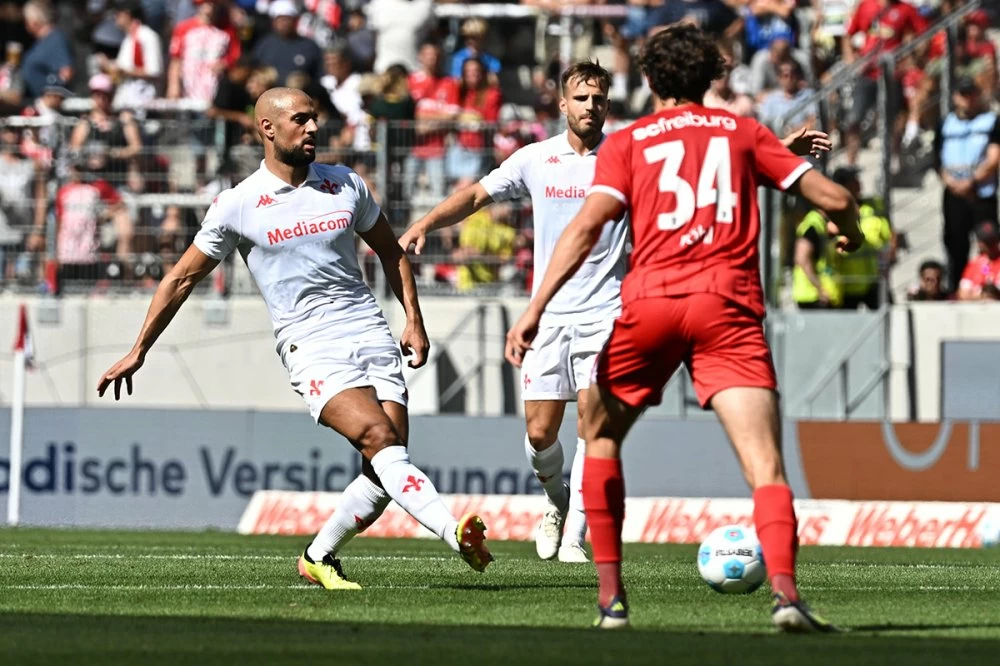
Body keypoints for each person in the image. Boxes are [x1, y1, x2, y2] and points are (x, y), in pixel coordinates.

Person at [504, 24, 863, 631]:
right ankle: (785, 598)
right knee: (765, 465)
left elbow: (585, 229)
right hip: (727, 308)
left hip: (650, 306)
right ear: (712, 78)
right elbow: (832, 197)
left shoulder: (627, 143)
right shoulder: (744, 134)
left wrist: (536, 305)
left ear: (647, 81)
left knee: (602, 437)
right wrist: (847, 232)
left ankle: (612, 601)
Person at [402, 60, 831, 563]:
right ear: (562, 104)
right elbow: (477, 194)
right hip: (549, 314)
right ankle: (556, 502)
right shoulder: (537, 159)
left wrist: (781, 152)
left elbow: (706, 173)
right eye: (581, 98)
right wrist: (425, 223)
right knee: (540, 432)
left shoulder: (631, 153)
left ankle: (574, 539)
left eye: (599, 98)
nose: (591, 107)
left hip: (607, 311)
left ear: (609, 103)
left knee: (593, 421)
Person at [96, 87, 493, 589]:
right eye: (301, 120)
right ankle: (453, 530)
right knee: (379, 439)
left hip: (370, 330)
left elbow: (391, 252)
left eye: (315, 120)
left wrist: (413, 319)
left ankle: (318, 557)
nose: (312, 129)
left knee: (385, 466)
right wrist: (139, 349)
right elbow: (180, 278)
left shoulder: (346, 183)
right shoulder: (238, 205)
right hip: (311, 343)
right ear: (267, 128)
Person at [934, 77, 1000, 289]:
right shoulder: (945, 123)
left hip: (981, 192)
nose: (968, 100)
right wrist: (952, 183)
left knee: (987, 240)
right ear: (955, 97)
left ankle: (988, 285)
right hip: (954, 193)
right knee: (955, 244)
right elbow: (937, 159)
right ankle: (957, 287)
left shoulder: (991, 121)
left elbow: (994, 158)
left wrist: (971, 182)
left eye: (971, 94)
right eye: (963, 95)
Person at [957, 221, 1000, 301]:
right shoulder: (974, 264)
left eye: (991, 240)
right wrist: (983, 297)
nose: (989, 245)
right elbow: (962, 294)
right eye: (985, 241)